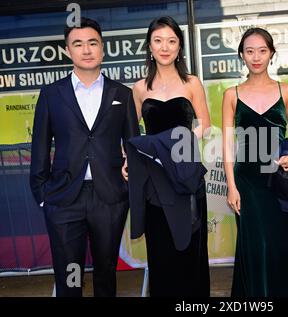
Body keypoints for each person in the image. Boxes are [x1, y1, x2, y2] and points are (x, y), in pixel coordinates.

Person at [30, 17, 140, 297]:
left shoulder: (122, 94)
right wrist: (44, 196)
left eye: (93, 43)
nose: (86, 50)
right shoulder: (51, 94)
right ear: (67, 51)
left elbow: (133, 144)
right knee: (69, 275)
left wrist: (128, 183)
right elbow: (40, 149)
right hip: (64, 198)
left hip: (110, 197)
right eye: (78, 44)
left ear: (103, 49)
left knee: (106, 271)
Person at [122, 16, 211, 297]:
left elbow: (205, 125)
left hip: (186, 175)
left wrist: (179, 145)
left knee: (190, 247)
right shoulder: (138, 89)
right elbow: (130, 133)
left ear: (179, 46)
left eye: (171, 41)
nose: (165, 47)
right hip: (154, 181)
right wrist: (128, 159)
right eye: (158, 41)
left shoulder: (192, 83)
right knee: (161, 250)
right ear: (149, 46)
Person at [222, 27, 288, 297]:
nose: (256, 56)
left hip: (279, 180)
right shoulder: (231, 94)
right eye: (249, 51)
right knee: (253, 245)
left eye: (262, 50)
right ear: (242, 55)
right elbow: (227, 144)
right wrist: (231, 186)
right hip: (247, 181)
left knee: (284, 242)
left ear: (271, 53)